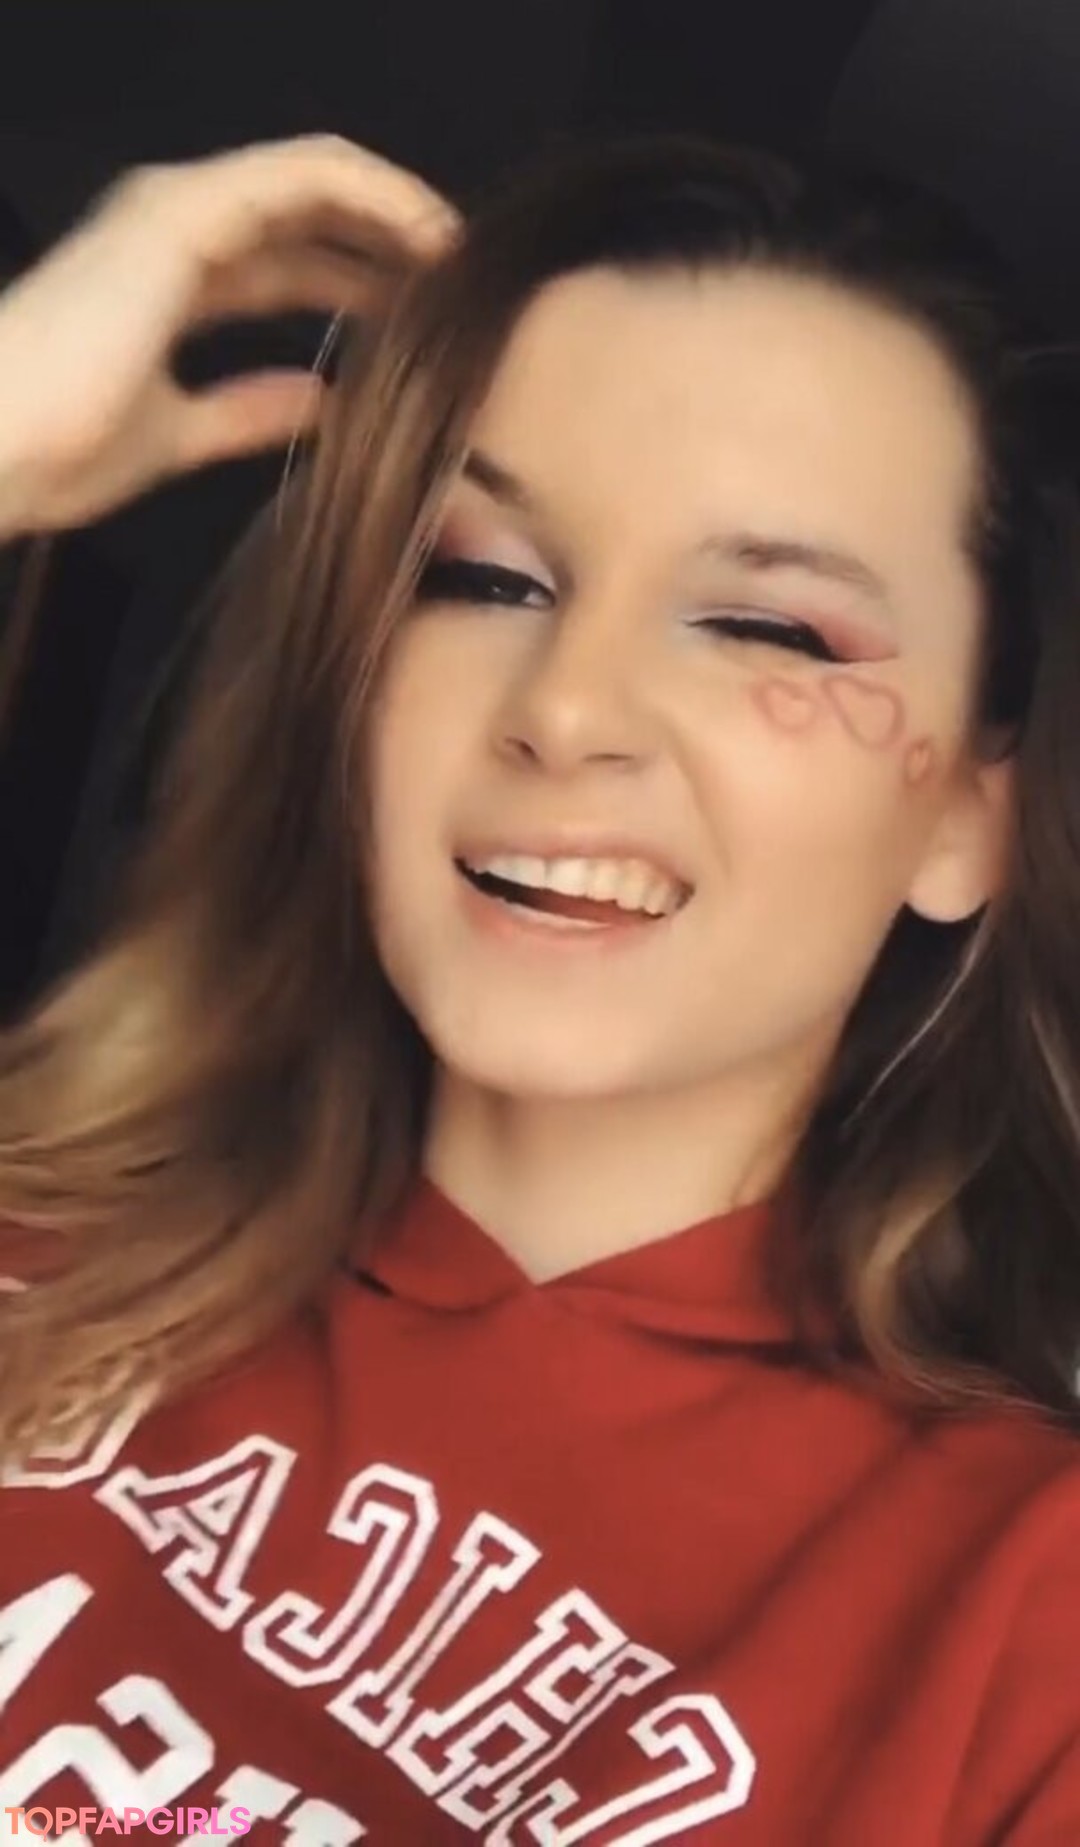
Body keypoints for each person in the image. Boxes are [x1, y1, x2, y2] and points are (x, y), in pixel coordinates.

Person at [0, 124, 1078, 1846]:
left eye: (770, 627)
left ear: (966, 813)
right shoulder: (36, 1224)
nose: (568, 708)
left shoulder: (1021, 1631)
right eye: (483, 577)